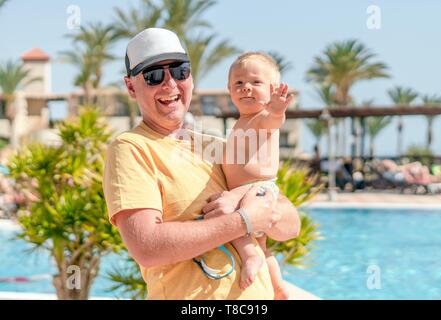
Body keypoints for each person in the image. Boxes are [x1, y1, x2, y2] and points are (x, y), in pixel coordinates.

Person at [102, 28, 300, 300]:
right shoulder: (131, 148)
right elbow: (147, 247)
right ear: (131, 87)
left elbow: (292, 224)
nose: (170, 84)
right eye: (153, 76)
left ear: (190, 78)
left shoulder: (218, 147)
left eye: (179, 71)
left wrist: (256, 207)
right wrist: (244, 220)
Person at [219, 52, 292, 299]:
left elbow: (274, 120)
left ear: (272, 90)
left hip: (259, 190)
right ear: (230, 90)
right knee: (261, 244)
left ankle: (249, 256)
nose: (246, 87)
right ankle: (278, 286)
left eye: (255, 82)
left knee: (231, 216)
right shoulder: (240, 123)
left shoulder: (262, 118)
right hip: (247, 192)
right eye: (238, 83)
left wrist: (277, 109)